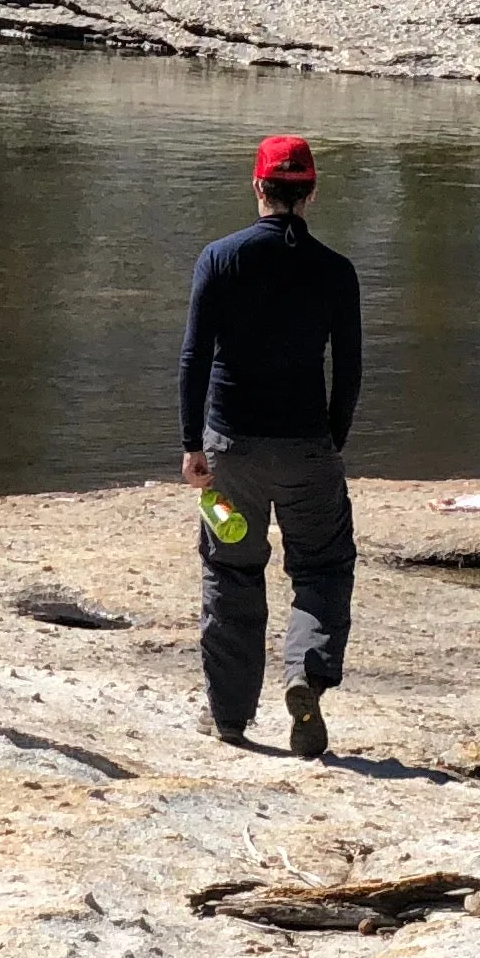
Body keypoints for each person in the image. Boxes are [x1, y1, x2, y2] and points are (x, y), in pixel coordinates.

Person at [177, 133, 364, 757]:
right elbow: (353, 368)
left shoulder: (219, 258)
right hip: (308, 446)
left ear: (258, 186)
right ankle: (305, 674)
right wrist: (332, 436)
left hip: (230, 451)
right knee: (323, 568)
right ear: (310, 192)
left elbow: (193, 359)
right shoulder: (336, 270)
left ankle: (230, 719)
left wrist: (191, 445)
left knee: (230, 571)